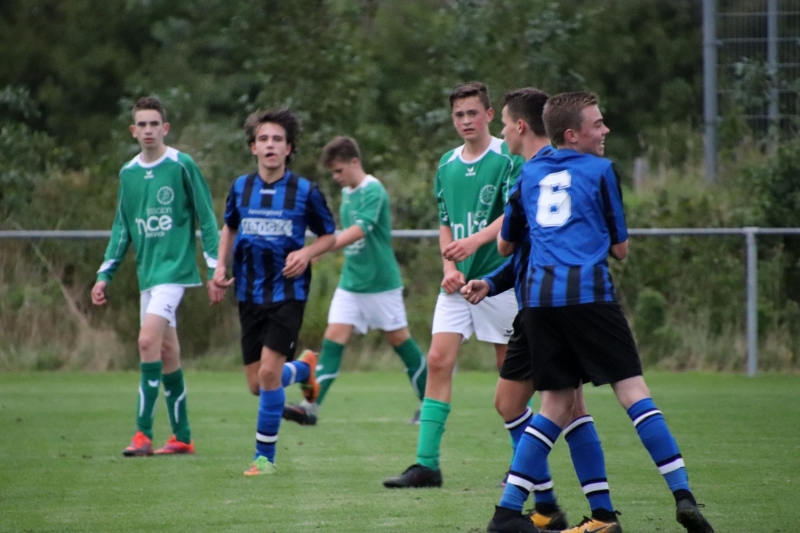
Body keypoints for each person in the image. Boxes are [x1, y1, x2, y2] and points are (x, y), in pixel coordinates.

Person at [486, 91, 714, 533]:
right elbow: (621, 249)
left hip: (539, 302)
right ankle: (683, 495)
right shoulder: (601, 170)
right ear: (572, 134)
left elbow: (506, 244)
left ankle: (508, 511)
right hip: (589, 296)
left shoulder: (528, 174)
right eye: (598, 124)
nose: (605, 129)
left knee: (554, 405)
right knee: (633, 393)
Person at [383, 81, 523, 489]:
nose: (465, 120)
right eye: (459, 114)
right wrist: (448, 265)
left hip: (498, 280)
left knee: (510, 371)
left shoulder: (508, 157)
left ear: (489, 114)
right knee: (438, 361)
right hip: (457, 284)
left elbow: (514, 215)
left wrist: (475, 243)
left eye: (472, 112)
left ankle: (524, 466)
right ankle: (426, 465)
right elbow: (446, 222)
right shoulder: (446, 163)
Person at [91, 96, 223, 457]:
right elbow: (122, 227)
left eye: (154, 124)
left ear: (165, 128)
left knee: (147, 341)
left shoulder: (181, 164)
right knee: (165, 351)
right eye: (142, 125)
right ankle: (182, 437)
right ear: (133, 131)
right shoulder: (128, 173)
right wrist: (105, 274)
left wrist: (215, 267)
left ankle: (142, 434)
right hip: (147, 275)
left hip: (174, 271)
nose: (148, 130)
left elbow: (206, 216)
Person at [213, 108, 336, 476]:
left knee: (268, 374)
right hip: (249, 294)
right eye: (263, 139)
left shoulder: (305, 191)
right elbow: (229, 228)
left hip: (288, 293)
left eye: (277, 139)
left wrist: (307, 253)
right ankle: (303, 369)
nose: (270, 145)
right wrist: (219, 267)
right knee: (258, 384)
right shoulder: (240, 187)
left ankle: (264, 459)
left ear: (289, 148)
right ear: (253, 147)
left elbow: (329, 236)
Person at [282, 136, 427, 426]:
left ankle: (431, 404)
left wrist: (318, 249)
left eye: (339, 170)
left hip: (381, 284)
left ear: (355, 162)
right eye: (333, 172)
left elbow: (359, 230)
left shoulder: (373, 190)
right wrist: (322, 249)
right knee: (332, 341)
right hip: (351, 283)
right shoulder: (347, 193)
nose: (336, 177)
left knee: (400, 342)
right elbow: (345, 234)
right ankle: (310, 408)